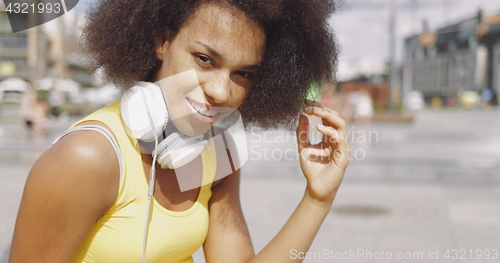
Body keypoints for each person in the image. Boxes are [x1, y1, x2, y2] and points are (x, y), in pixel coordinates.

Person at [9, 0, 350, 262]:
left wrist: (317, 199)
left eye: (243, 74)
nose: (221, 91)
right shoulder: (88, 158)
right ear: (163, 41)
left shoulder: (217, 147)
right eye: (204, 59)